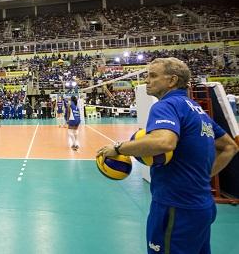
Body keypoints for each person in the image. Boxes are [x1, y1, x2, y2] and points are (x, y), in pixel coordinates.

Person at [96, 57, 238, 254]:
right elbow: (230, 147)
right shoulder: (197, 110)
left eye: (153, 76)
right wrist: (204, 176)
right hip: (202, 205)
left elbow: (164, 142)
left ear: (172, 81)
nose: (147, 80)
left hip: (175, 207)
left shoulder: (166, 105)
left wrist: (119, 148)